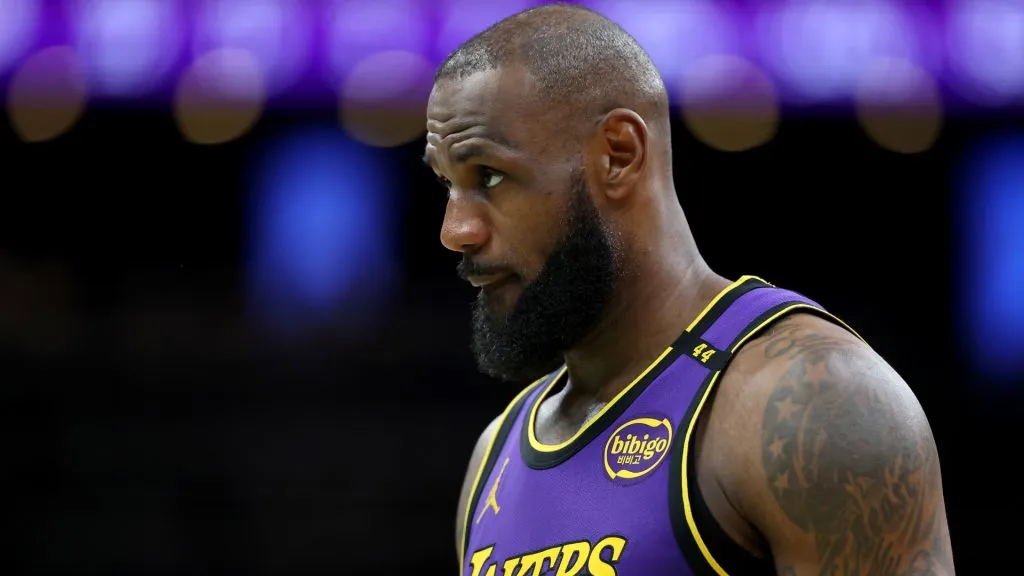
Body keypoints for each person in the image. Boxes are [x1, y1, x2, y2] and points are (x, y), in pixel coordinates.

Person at [423, 5, 955, 576]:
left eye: (489, 176)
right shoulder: (494, 457)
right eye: (447, 184)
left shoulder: (810, 403)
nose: (455, 231)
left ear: (619, 155)